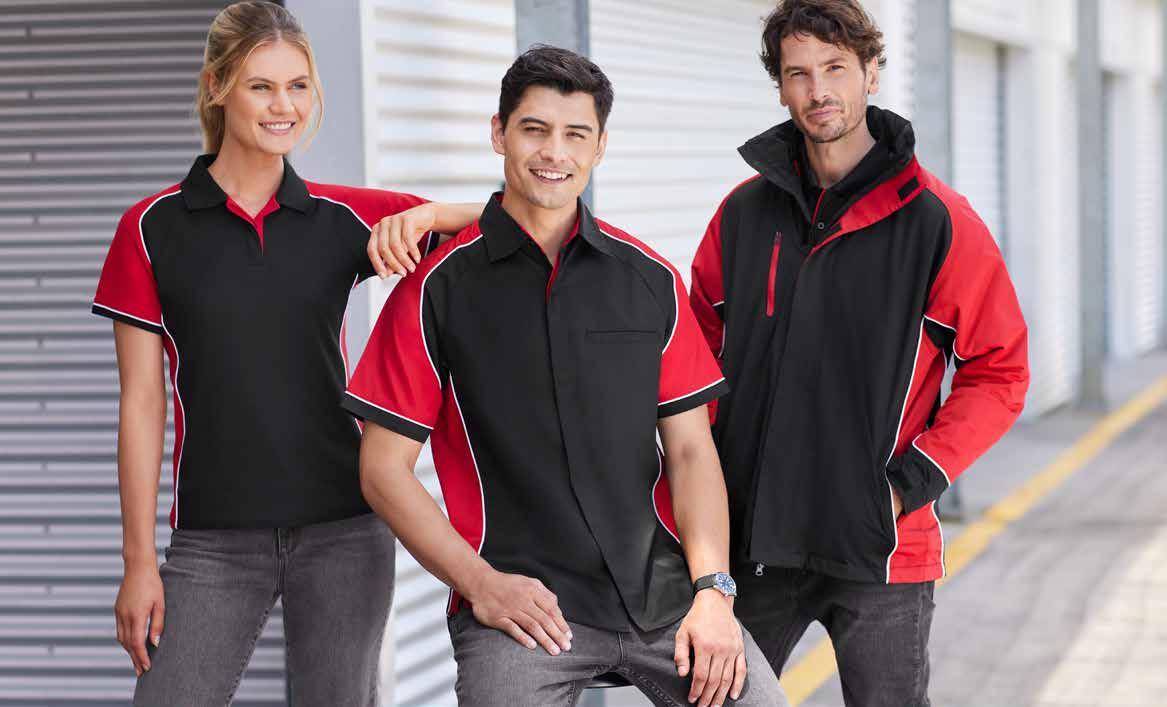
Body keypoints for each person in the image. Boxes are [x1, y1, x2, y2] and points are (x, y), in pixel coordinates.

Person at [343, 45, 788, 707]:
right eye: (534, 129)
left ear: (599, 146)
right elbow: (383, 469)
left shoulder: (648, 280)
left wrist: (713, 592)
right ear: (499, 133)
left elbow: (691, 451)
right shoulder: (437, 289)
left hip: (663, 597)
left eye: (576, 134)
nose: (555, 152)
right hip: (519, 609)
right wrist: (483, 585)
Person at [92, 3, 477, 704]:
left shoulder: (341, 217)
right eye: (261, 86)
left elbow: (512, 221)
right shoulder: (150, 229)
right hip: (212, 538)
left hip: (344, 528)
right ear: (217, 87)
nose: (284, 106)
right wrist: (138, 560)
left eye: (298, 86)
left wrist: (428, 214)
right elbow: (141, 404)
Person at [688, 2, 1029, 705]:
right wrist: (705, 492)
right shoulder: (742, 216)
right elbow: (694, 361)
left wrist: (905, 486)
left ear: (872, 73)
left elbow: (1000, 370)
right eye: (798, 73)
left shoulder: (937, 221)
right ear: (780, 88)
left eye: (836, 68)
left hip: (881, 546)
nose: (819, 90)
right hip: (754, 539)